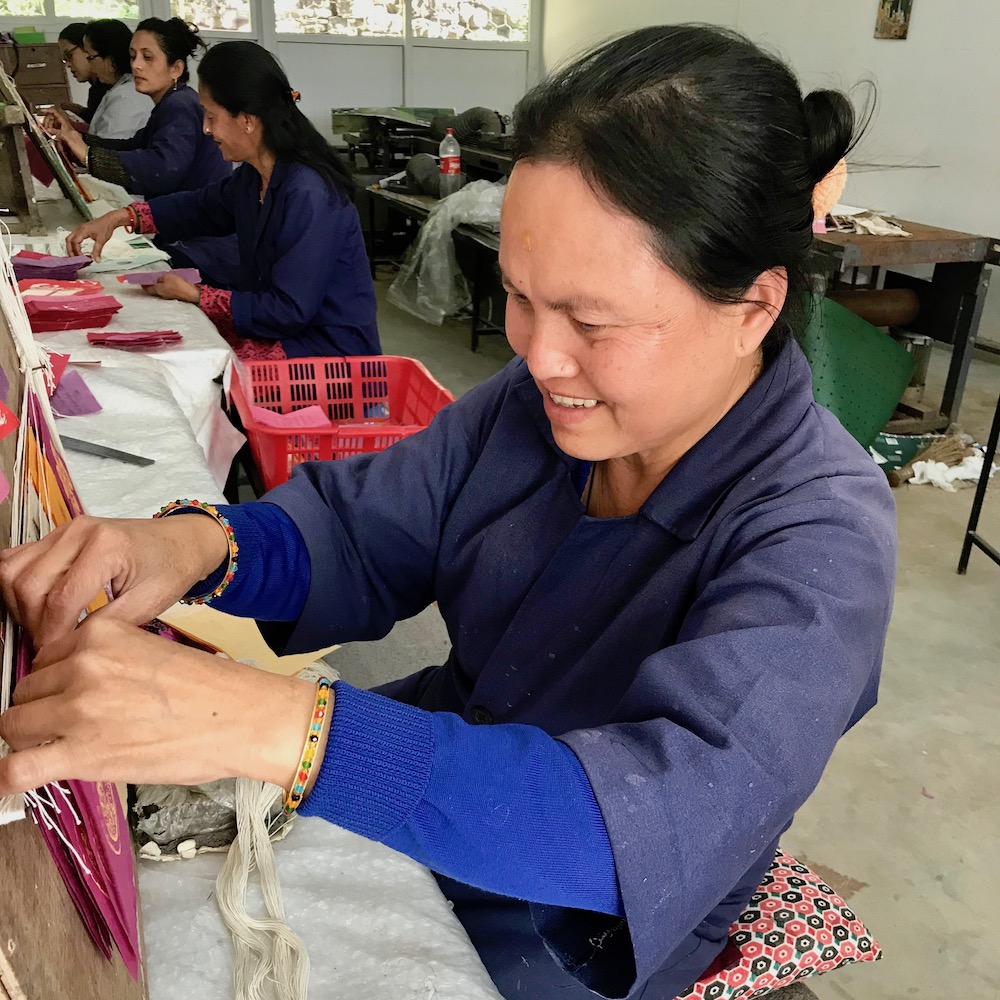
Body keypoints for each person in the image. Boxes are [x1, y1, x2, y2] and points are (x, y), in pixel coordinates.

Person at [0, 25, 895, 1000]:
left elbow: (636, 820)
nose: (539, 357)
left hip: (584, 918)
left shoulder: (819, 538)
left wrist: (278, 723)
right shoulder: (537, 407)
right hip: (453, 755)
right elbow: (361, 524)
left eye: (590, 321)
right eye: (517, 297)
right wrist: (189, 541)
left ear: (754, 308)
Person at [64, 41, 379, 361]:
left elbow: (289, 310)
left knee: (200, 370)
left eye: (212, 117)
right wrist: (122, 217)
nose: (206, 128)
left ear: (247, 120)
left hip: (329, 354)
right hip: (287, 332)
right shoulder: (255, 177)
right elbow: (201, 206)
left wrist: (198, 295)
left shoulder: (309, 195)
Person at [48, 17, 229, 198]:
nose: (136, 65)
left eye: (147, 57)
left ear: (176, 69)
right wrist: (76, 140)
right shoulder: (172, 101)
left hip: (195, 222)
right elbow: (132, 145)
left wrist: (88, 155)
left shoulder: (179, 105)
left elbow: (163, 169)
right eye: (133, 56)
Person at [47, 20, 152, 141]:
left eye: (90, 57)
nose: (90, 64)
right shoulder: (120, 91)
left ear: (111, 61)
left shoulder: (126, 97)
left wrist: (71, 134)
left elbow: (107, 152)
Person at [56, 23, 111, 125]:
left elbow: (101, 137)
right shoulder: (96, 89)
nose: (67, 64)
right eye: (64, 59)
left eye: (69, 55)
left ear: (88, 49)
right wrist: (80, 111)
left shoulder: (109, 89)